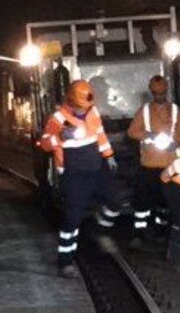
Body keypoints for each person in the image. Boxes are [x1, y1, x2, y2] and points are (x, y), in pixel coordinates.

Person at [40, 80, 120, 278]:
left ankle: (100, 231)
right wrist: (60, 137)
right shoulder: (57, 119)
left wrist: (108, 155)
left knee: (115, 202)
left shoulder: (92, 112)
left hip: (96, 167)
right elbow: (43, 144)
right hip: (75, 173)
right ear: (71, 99)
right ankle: (65, 262)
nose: (85, 109)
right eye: (81, 106)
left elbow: (100, 134)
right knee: (72, 218)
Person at [127, 75, 180, 247]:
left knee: (165, 202)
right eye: (157, 93)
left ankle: (161, 233)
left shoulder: (175, 110)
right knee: (142, 202)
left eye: (162, 93)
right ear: (152, 93)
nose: (160, 97)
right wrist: (148, 134)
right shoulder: (145, 111)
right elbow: (132, 132)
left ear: (166, 91)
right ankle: (138, 234)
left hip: (169, 166)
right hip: (148, 166)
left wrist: (176, 143)